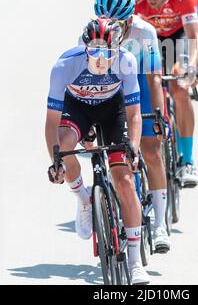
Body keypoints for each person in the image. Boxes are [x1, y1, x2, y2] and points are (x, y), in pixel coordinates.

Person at [46, 17, 149, 285]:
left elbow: (134, 114)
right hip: (77, 107)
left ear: (117, 48)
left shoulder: (127, 61)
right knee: (64, 144)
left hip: (112, 111)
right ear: (85, 47)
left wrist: (134, 149)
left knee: (125, 181)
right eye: (94, 51)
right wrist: (56, 162)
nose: (101, 58)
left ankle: (136, 262)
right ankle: (83, 198)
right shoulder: (65, 65)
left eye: (107, 52)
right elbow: (51, 123)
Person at [93, 0, 171, 252]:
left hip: (141, 83)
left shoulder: (144, 32)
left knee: (149, 150)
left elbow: (153, 78)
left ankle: (160, 223)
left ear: (129, 20)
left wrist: (159, 116)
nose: (111, 27)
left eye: (117, 23)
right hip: (112, 89)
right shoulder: (94, 32)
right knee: (122, 160)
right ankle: (129, 214)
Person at [131, 0, 198, 187]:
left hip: (177, 38)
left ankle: (188, 160)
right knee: (149, 85)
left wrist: (191, 66)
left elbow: (194, 36)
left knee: (179, 89)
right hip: (151, 41)